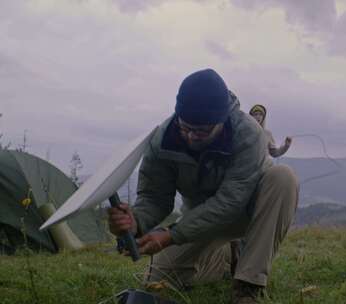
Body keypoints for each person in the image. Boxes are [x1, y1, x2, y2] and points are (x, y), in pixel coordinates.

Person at [107, 69, 298, 304]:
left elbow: (230, 201)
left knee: (283, 177)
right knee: (158, 281)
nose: (191, 136)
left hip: (247, 213)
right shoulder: (162, 140)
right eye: (185, 127)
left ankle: (248, 286)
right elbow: (155, 198)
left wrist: (171, 235)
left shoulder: (248, 133)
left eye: (202, 131)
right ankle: (229, 257)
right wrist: (135, 222)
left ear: (222, 119)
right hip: (199, 221)